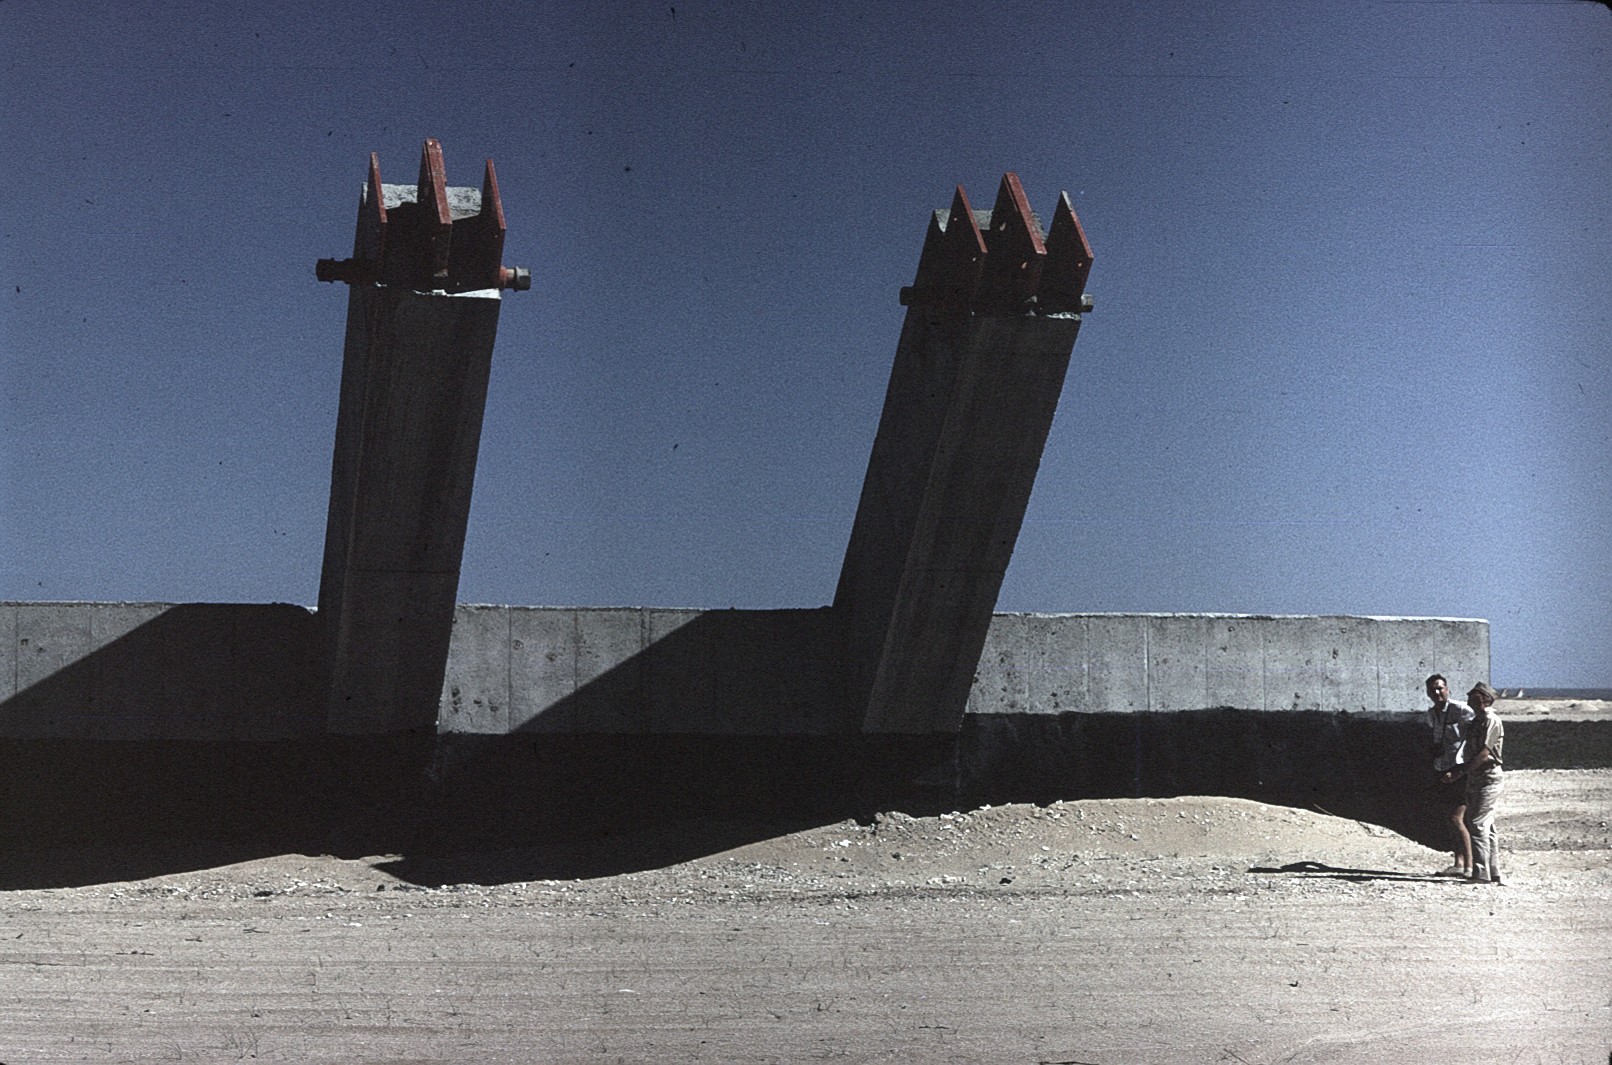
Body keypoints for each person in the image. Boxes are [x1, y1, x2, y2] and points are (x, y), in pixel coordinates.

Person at [1425, 674, 1474, 876]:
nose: (1437, 693)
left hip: (1459, 770)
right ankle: (1459, 862)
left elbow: (1475, 736)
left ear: (1447, 689)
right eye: (1433, 690)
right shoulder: (1432, 713)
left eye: (1440, 688)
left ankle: (1469, 865)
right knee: (1449, 817)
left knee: (1457, 817)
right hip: (1442, 768)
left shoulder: (1461, 709)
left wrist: (1464, 766)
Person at [1463, 682, 1505, 885]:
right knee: (1486, 825)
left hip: (1488, 776)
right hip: (1477, 776)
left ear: (1485, 699)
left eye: (1474, 695)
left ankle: (1481, 873)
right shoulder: (1477, 720)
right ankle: (1492, 870)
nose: (1470, 698)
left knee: (1477, 823)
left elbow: (1484, 753)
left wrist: (1462, 771)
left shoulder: (1491, 720)